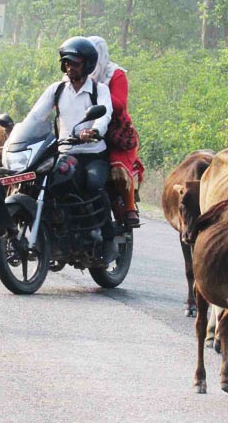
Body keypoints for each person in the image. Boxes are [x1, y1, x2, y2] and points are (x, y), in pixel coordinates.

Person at [22, 37, 118, 262]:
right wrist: (17, 134)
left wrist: (93, 131)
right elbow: (35, 116)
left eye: (74, 63)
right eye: (66, 62)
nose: (69, 67)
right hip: (65, 152)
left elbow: (104, 116)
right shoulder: (56, 90)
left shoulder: (99, 90)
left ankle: (108, 238)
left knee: (94, 184)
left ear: (87, 65)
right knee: (45, 182)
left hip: (93, 154)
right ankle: (57, 228)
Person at [88, 36, 143, 228]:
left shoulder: (115, 74)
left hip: (114, 132)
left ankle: (129, 208)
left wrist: (95, 92)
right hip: (80, 128)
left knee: (117, 169)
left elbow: (119, 105)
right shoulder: (76, 73)